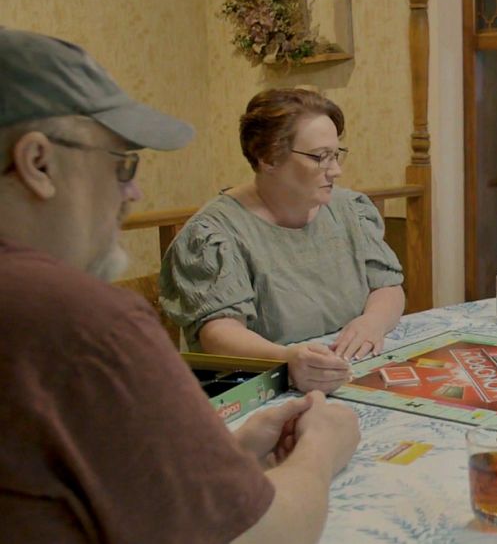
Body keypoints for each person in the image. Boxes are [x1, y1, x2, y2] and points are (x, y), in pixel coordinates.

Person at [0, 29, 360, 543]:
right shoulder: (80, 320)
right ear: (37, 163)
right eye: (121, 163)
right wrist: (321, 448)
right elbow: (265, 534)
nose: (134, 191)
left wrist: (228, 456)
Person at [160, 88, 405, 393]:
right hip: (264, 389)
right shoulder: (214, 234)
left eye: (337, 154)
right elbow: (219, 333)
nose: (336, 170)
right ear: (267, 158)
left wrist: (372, 323)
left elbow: (387, 286)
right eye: (320, 157)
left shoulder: (350, 210)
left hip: (346, 376)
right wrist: (285, 359)